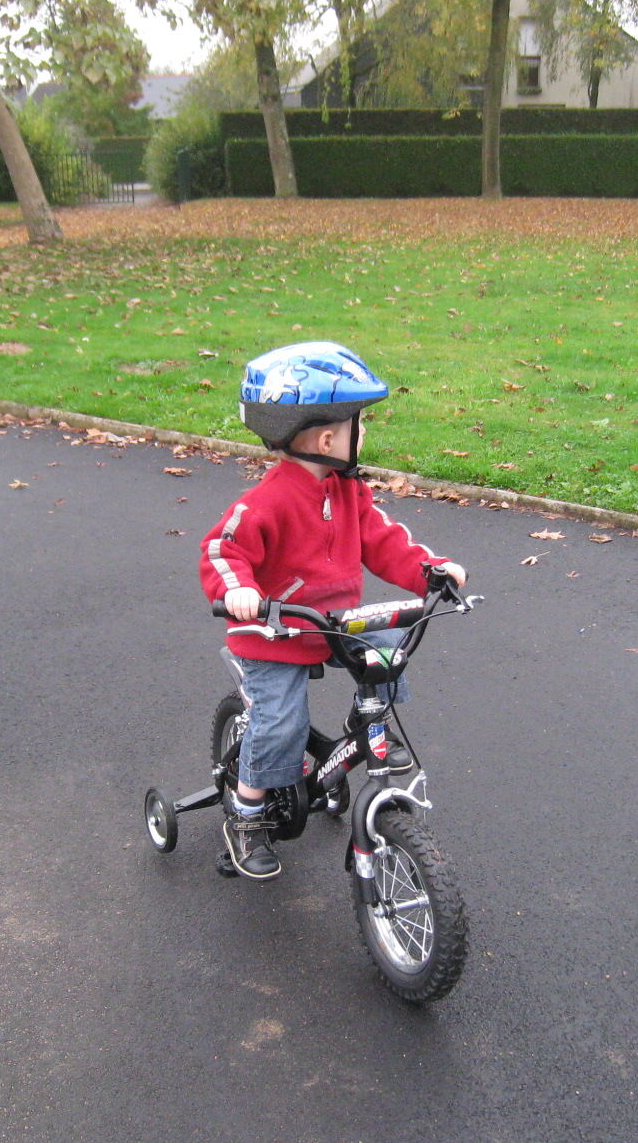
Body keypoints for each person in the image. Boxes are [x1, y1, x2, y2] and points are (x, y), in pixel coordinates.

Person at [199, 342, 466, 881]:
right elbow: (222, 551)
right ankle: (247, 815)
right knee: (281, 726)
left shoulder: (348, 491)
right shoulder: (265, 503)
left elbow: (384, 541)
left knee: (387, 652)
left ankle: (366, 725)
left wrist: (430, 571)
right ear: (327, 441)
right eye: (357, 425)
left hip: (333, 624)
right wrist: (239, 591)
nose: (363, 434)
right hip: (273, 633)